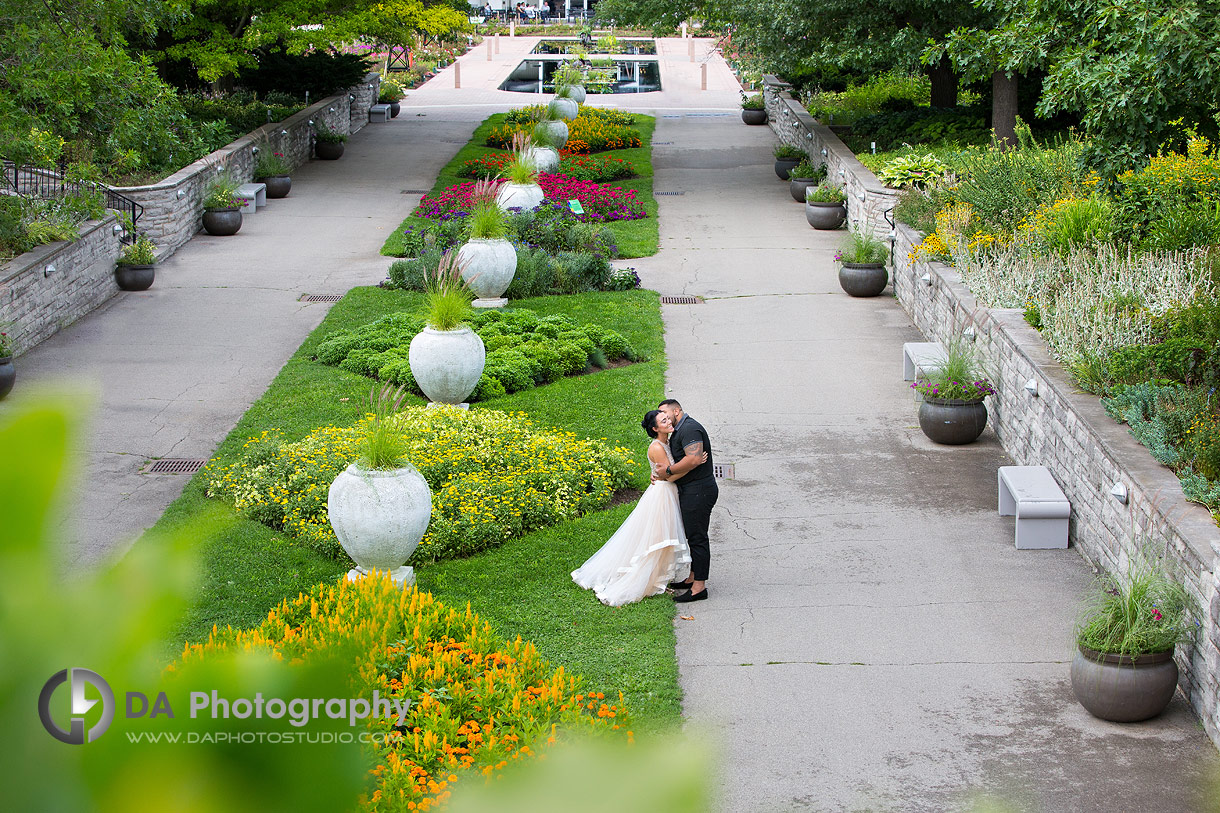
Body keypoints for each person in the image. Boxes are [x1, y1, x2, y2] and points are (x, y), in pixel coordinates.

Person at [572, 410, 705, 606]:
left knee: (662, 538)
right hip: (663, 495)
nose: (668, 422)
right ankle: (644, 580)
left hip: (668, 492)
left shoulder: (668, 442)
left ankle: (657, 577)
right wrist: (693, 464)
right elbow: (669, 475)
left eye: (667, 418)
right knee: (656, 539)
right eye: (663, 421)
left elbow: (666, 472)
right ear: (655, 428)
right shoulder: (657, 447)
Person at [656, 399, 717, 602]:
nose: (664, 417)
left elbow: (693, 459)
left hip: (699, 491)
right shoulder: (679, 430)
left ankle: (699, 588)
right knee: (692, 536)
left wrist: (668, 471)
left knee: (698, 537)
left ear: (677, 410)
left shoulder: (690, 428)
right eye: (660, 416)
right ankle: (692, 578)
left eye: (665, 413)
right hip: (691, 490)